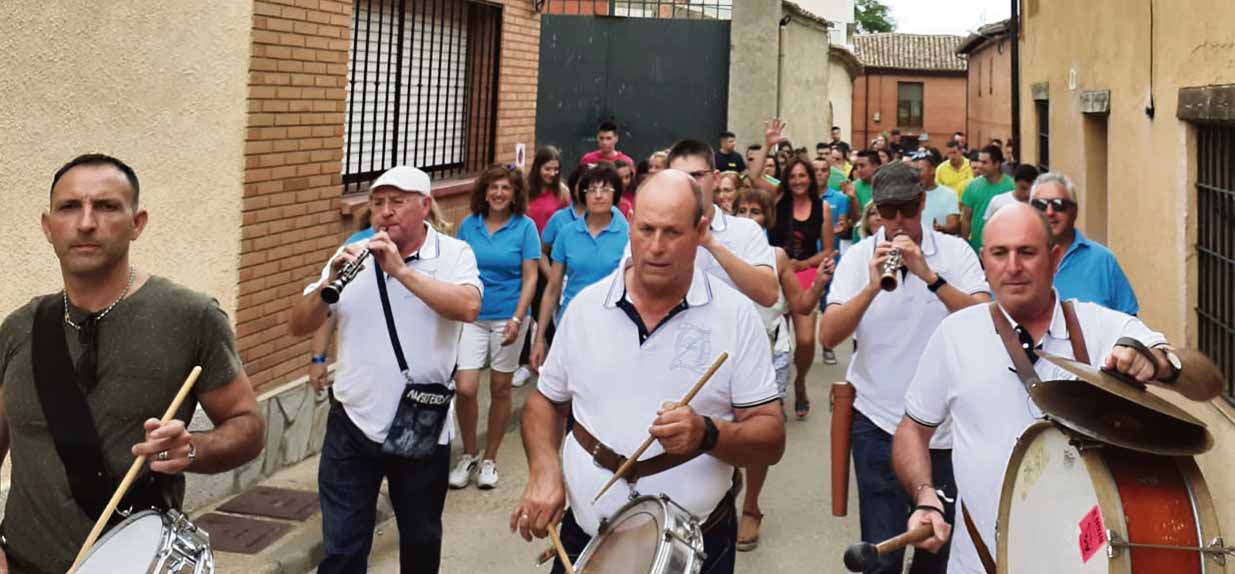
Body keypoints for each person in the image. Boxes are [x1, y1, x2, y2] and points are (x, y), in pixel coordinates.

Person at [893, 203, 1215, 574]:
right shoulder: (954, 335)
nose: (1012, 267)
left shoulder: (1103, 329)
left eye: (1026, 252)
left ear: (1055, 257)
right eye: (999, 253)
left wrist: (1161, 364)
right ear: (985, 260)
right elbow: (913, 429)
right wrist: (925, 497)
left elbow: (1207, 382)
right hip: (977, 564)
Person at [510, 170, 787, 574]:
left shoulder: (736, 315)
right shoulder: (587, 307)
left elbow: (771, 438)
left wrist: (707, 433)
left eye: (672, 232)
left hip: (692, 550)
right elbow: (544, 403)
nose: (656, 247)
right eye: (646, 229)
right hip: (585, 542)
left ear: (700, 230)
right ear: (631, 224)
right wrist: (545, 471)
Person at [0, 154, 264, 574]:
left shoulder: (191, 317)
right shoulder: (19, 328)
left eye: (105, 206)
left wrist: (192, 448)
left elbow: (247, 425)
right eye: (70, 207)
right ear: (48, 227)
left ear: (137, 223)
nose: (86, 223)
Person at [289, 165, 483, 574]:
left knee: (419, 541)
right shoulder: (353, 251)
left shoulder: (453, 254)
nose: (386, 212)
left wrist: (400, 271)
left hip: (421, 424)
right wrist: (332, 280)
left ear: (426, 206)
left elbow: (467, 306)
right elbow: (299, 323)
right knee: (342, 549)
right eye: (378, 203)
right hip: (353, 424)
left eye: (398, 202)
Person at [819, 161, 992, 574]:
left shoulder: (954, 252)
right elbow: (829, 335)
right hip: (878, 422)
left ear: (923, 203)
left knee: (937, 550)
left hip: (944, 432)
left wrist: (929, 277)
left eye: (908, 210)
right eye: (888, 210)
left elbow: (986, 319)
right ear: (876, 209)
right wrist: (873, 285)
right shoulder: (861, 256)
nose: (899, 222)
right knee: (882, 554)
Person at [733, 187, 835, 550]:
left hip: (769, 352)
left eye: (756, 212)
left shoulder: (776, 256)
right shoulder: (719, 253)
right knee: (723, 430)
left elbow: (802, 305)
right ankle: (725, 488)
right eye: (742, 210)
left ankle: (751, 507)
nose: (748, 217)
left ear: (766, 219)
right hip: (726, 358)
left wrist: (819, 283)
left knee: (758, 435)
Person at [449, 166, 541, 491]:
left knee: (501, 388)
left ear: (515, 193)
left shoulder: (525, 227)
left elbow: (531, 276)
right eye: (493, 188)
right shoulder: (468, 226)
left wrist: (518, 319)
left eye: (505, 188)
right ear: (484, 192)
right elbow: (458, 268)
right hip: (473, 314)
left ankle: (489, 458)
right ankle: (469, 454)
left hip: (509, 316)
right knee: (466, 387)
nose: (499, 193)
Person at [529, 164, 630, 370]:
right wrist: (539, 339)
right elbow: (553, 288)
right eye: (592, 190)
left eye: (605, 190)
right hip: (572, 319)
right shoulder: (567, 233)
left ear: (616, 194)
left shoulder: (628, 232)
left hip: (614, 321)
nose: (598, 195)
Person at [769, 157, 834, 419]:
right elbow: (752, 176)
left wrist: (803, 263)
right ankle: (774, 393)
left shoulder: (823, 208)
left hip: (805, 273)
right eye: (793, 176)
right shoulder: (776, 201)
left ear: (811, 178)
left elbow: (828, 249)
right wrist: (766, 143)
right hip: (775, 271)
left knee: (805, 341)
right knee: (774, 342)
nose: (798, 181)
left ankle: (799, 381)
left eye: (802, 176)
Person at [1031, 173, 1139, 315]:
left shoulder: (1102, 261)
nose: (1050, 212)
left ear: (1074, 211)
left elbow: (1130, 324)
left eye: (1059, 205)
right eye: (1041, 205)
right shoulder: (1015, 262)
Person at [960, 145, 1014, 254]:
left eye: (984, 162)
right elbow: (966, 219)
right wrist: (964, 244)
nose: (979, 166)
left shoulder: (1012, 186)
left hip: (1004, 249)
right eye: (979, 162)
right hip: (977, 250)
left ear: (997, 164)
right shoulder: (972, 186)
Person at [912, 148, 961, 236]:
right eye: (914, 171)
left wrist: (941, 228)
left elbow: (953, 225)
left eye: (920, 170)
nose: (916, 174)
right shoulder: (908, 195)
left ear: (932, 170)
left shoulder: (949, 194)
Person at [525, 146, 570, 234]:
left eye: (556, 169)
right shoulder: (525, 189)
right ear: (537, 168)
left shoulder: (563, 192)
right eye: (547, 169)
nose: (552, 173)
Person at [847, 150, 882, 241]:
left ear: (875, 166)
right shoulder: (853, 187)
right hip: (859, 242)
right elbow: (855, 221)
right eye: (856, 166)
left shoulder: (888, 187)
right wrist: (853, 198)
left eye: (862, 166)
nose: (858, 169)